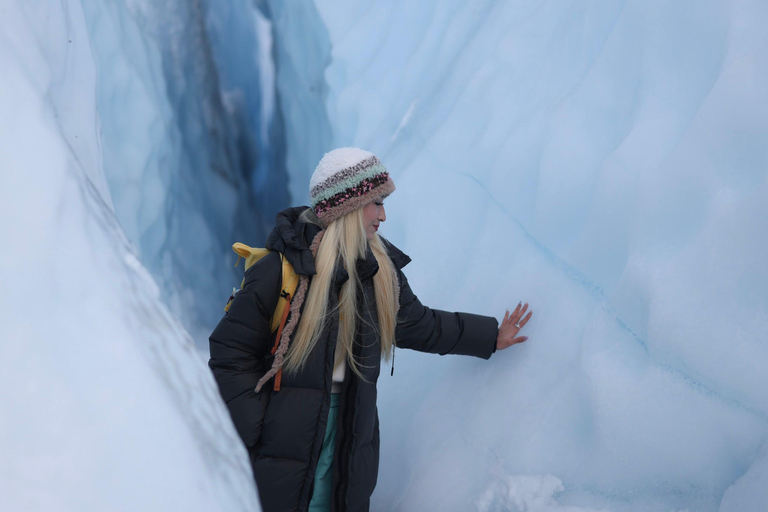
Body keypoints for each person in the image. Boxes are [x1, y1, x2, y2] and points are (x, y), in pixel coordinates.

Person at [208, 148, 532, 512]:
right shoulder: (282, 270)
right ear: (346, 206)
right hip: (286, 437)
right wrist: (256, 429)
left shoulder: (378, 271)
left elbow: (420, 325)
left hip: (349, 431)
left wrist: (488, 335)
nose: (383, 215)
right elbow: (228, 353)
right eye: (376, 203)